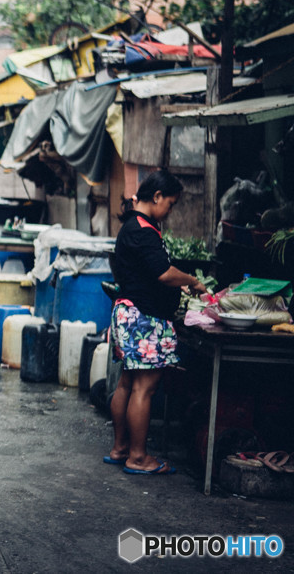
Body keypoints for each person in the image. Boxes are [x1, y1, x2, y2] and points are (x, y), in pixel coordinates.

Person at [105, 171, 206, 475]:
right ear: (157, 196)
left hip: (132, 314)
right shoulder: (142, 231)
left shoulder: (135, 227)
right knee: (144, 390)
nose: (171, 211)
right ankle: (138, 457)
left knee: (127, 384)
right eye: (171, 204)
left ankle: (121, 448)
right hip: (143, 318)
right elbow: (163, 273)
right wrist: (191, 280)